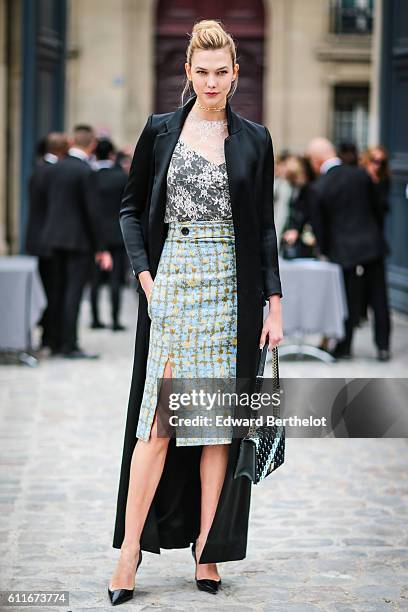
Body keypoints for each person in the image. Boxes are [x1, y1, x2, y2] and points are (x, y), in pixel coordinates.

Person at [108, 19, 283, 606]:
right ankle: (129, 550)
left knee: (213, 428)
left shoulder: (255, 139)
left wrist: (274, 305)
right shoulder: (160, 132)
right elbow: (131, 211)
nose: (211, 81)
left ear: (235, 75)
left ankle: (207, 549)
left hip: (233, 289)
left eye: (221, 72)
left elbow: (264, 229)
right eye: (201, 71)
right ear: (187, 73)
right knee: (157, 427)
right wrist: (146, 276)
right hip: (175, 282)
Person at [306, 137, 391, 361]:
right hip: (372, 245)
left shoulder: (319, 187)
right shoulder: (361, 174)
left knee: (348, 301)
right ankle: (383, 347)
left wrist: (325, 251)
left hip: (343, 251)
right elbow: (378, 209)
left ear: (316, 161)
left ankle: (345, 347)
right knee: (379, 298)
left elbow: (320, 228)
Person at [42, 124, 112, 358]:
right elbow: (93, 212)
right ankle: (69, 344)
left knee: (57, 291)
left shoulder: (55, 167)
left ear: (73, 142)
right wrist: (101, 247)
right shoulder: (85, 171)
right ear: (91, 145)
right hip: (78, 241)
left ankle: (54, 341)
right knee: (73, 293)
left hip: (54, 238)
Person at [24, 132, 69, 350]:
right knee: (54, 289)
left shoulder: (39, 170)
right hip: (51, 240)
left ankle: (48, 335)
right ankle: (52, 336)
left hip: (39, 238)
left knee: (48, 288)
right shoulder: (53, 172)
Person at [88, 139, 128, 331]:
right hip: (117, 232)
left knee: (94, 279)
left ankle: (95, 319)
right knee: (115, 279)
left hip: (95, 234)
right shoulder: (121, 176)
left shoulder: (91, 176)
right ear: (112, 155)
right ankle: (115, 320)